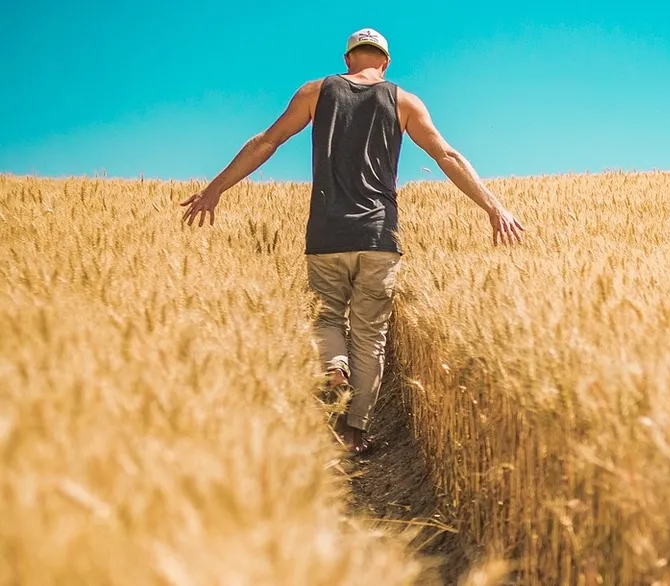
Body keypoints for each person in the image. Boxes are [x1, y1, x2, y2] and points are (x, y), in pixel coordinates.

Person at [180, 27, 527, 455]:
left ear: (348, 60)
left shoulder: (314, 92)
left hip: (326, 232)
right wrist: (495, 208)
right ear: (384, 62)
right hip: (379, 236)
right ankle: (354, 430)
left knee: (327, 318)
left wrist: (215, 189)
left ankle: (333, 366)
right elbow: (446, 156)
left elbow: (266, 142)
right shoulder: (404, 101)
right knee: (371, 335)